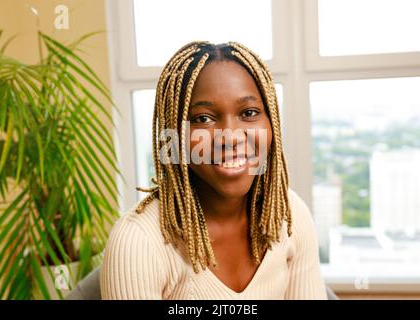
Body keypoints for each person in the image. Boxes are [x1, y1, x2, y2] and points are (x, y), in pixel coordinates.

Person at [100, 41, 327, 299]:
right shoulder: (137, 242)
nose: (230, 137)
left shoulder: (290, 214)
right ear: (174, 133)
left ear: (271, 122)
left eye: (249, 112)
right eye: (203, 119)